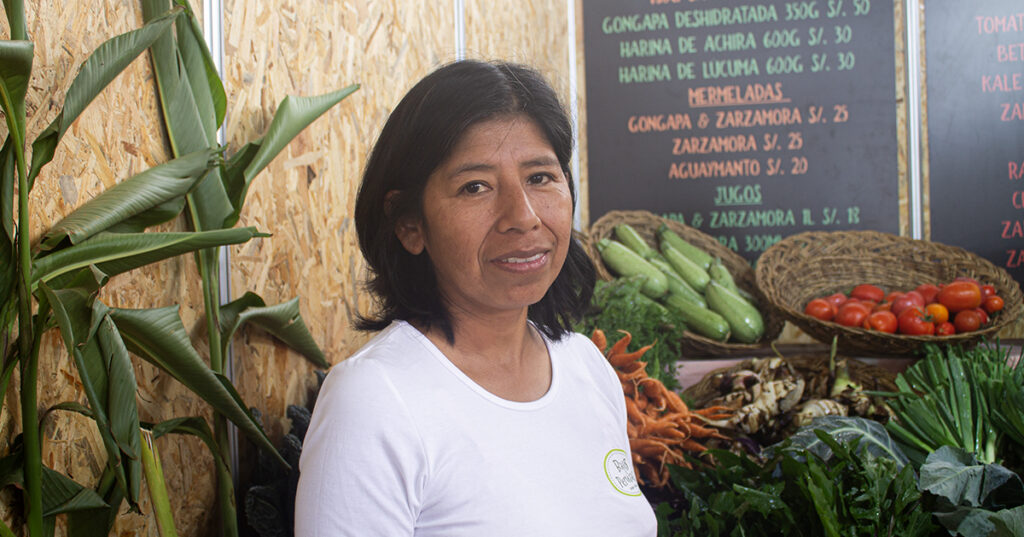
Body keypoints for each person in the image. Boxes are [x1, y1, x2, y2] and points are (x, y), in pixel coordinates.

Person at [295, 59, 657, 536]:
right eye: (475, 187)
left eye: (541, 177)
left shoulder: (585, 367)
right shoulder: (374, 401)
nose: (522, 216)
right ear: (410, 224)